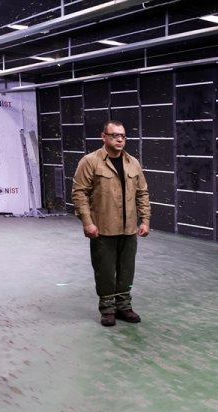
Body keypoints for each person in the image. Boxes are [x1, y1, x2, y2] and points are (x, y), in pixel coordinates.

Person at [72, 120, 151, 327]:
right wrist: (87, 222)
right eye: (115, 135)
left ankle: (124, 306)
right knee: (105, 270)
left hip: (129, 228)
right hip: (102, 228)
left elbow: (142, 193)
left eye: (123, 136)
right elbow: (79, 193)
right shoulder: (90, 161)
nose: (119, 139)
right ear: (104, 137)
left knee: (127, 270)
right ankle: (107, 308)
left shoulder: (133, 163)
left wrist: (145, 220)